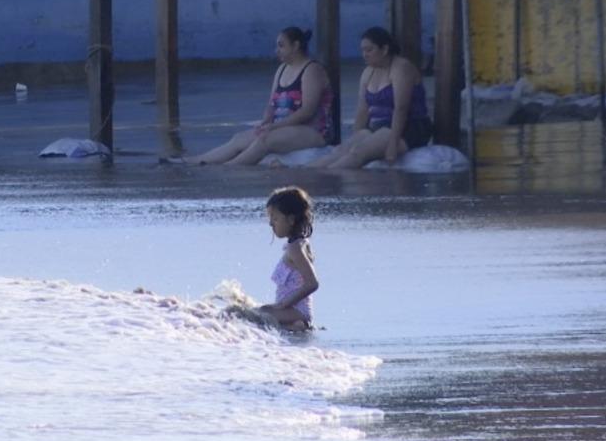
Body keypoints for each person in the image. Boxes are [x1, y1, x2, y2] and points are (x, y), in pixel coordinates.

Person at [179, 27, 332, 165]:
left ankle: (229, 168)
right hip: (283, 128)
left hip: (312, 131)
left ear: (296, 46)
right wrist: (265, 122)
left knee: (264, 140)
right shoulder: (282, 69)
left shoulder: (312, 70)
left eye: (281, 46)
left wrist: (274, 127)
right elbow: (272, 105)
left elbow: (307, 111)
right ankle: (196, 160)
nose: (276, 51)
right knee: (239, 139)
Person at [311, 26, 432, 169]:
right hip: (379, 127)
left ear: (384, 49)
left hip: (409, 126)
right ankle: (306, 174)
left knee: (358, 153)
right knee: (340, 151)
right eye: (363, 51)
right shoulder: (368, 72)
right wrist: (356, 137)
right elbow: (362, 110)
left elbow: (401, 108)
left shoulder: (401, 67)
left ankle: (330, 179)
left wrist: (392, 144)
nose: (365, 55)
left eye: (369, 50)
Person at [256, 186, 320, 331]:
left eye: (275, 219)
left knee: (250, 315)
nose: (271, 224)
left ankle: (298, 323)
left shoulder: (296, 248)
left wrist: (283, 304)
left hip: (297, 311)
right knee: (259, 311)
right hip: (294, 311)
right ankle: (294, 325)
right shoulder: (297, 244)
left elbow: (312, 283)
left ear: (291, 220)